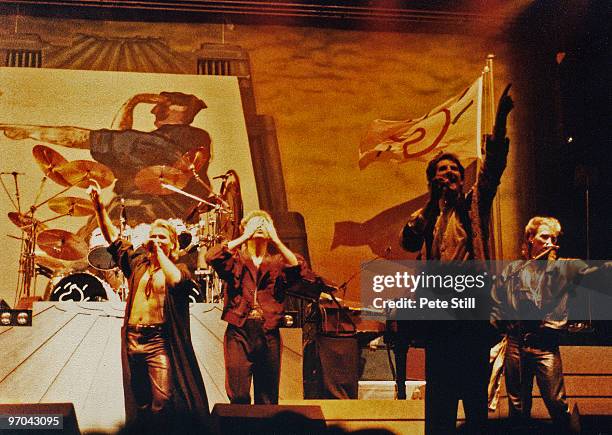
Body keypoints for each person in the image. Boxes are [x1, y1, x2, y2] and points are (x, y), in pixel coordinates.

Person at [400, 85, 514, 434]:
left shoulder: (473, 208)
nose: (447, 175)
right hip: (439, 324)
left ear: (461, 178)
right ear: (432, 180)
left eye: (453, 171)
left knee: (474, 408)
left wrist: (499, 122)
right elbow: (407, 243)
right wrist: (431, 206)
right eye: (440, 172)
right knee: (439, 409)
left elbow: (492, 170)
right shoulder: (427, 214)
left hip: (470, 320)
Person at [87, 182, 210, 431]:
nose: (155, 240)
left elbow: (175, 279)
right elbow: (113, 238)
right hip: (133, 338)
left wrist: (160, 253)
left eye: (161, 237)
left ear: (172, 244)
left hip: (158, 342)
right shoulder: (138, 264)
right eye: (152, 236)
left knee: (163, 400)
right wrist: (99, 207)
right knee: (140, 402)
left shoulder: (181, 269)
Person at [1, 91, 211, 228]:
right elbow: (118, 138)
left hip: (153, 217)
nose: (153, 110)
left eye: (160, 106)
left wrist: (29, 132)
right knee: (94, 227)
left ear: (178, 109)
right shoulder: (165, 140)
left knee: (104, 225)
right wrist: (132, 102)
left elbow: (86, 138)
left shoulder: (166, 142)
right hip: (150, 214)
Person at [491, 216, 611, 433]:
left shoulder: (564, 268)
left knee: (556, 403)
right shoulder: (513, 270)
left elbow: (598, 273)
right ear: (530, 238)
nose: (549, 242)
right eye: (544, 236)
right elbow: (497, 304)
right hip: (516, 345)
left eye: (553, 238)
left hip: (545, 345)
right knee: (517, 408)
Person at [205, 210, 309, 404]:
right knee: (238, 393)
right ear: (245, 228)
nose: (260, 226)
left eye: (264, 223)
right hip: (239, 331)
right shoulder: (236, 260)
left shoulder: (277, 262)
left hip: (268, 332)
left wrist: (276, 240)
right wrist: (244, 236)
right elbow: (212, 257)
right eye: (255, 223)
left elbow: (298, 268)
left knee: (267, 395)